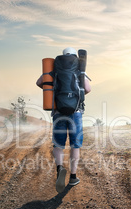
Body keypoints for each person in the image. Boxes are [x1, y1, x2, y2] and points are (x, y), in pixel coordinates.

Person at [36, 47, 91, 193]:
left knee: (58, 144)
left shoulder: (55, 69)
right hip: (75, 113)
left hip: (58, 112)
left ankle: (59, 168)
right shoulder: (80, 70)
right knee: (75, 145)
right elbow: (88, 89)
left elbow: (39, 82)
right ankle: (73, 176)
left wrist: (52, 83)